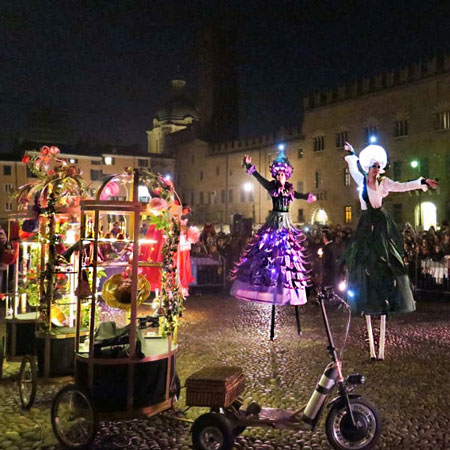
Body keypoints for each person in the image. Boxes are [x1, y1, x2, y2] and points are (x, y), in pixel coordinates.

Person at [343, 141, 438, 360]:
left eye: (378, 166)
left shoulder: (384, 183)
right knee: (361, 258)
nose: (376, 169)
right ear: (368, 167)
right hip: (366, 225)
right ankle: (364, 299)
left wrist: (422, 181)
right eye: (373, 166)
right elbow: (352, 167)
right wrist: (350, 153)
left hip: (380, 225)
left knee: (387, 260)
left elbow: (403, 186)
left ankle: (387, 302)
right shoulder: (362, 181)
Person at [230, 147, 317, 340]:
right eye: (277, 173)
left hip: (286, 224)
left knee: (289, 261)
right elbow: (259, 179)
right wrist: (250, 166)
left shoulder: (290, 189)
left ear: (286, 175)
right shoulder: (272, 187)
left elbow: (299, 195)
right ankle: (267, 288)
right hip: (275, 222)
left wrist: (308, 197)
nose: (280, 176)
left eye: (282, 173)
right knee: (269, 256)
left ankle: (289, 294)